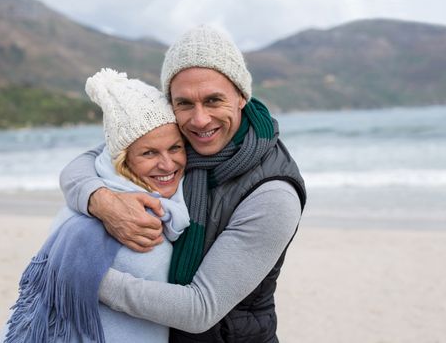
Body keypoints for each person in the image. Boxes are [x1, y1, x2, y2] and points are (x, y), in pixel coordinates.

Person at [60, 25, 307, 342]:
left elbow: (200, 309)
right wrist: (102, 201)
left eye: (214, 100)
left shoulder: (273, 194)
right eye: (185, 103)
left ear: (242, 96)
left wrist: (86, 275)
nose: (200, 120)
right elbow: (85, 163)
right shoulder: (175, 138)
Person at [0, 68, 190, 342]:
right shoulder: (125, 219)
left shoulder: (101, 188)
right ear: (123, 159)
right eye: (149, 153)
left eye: (175, 148)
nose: (168, 164)